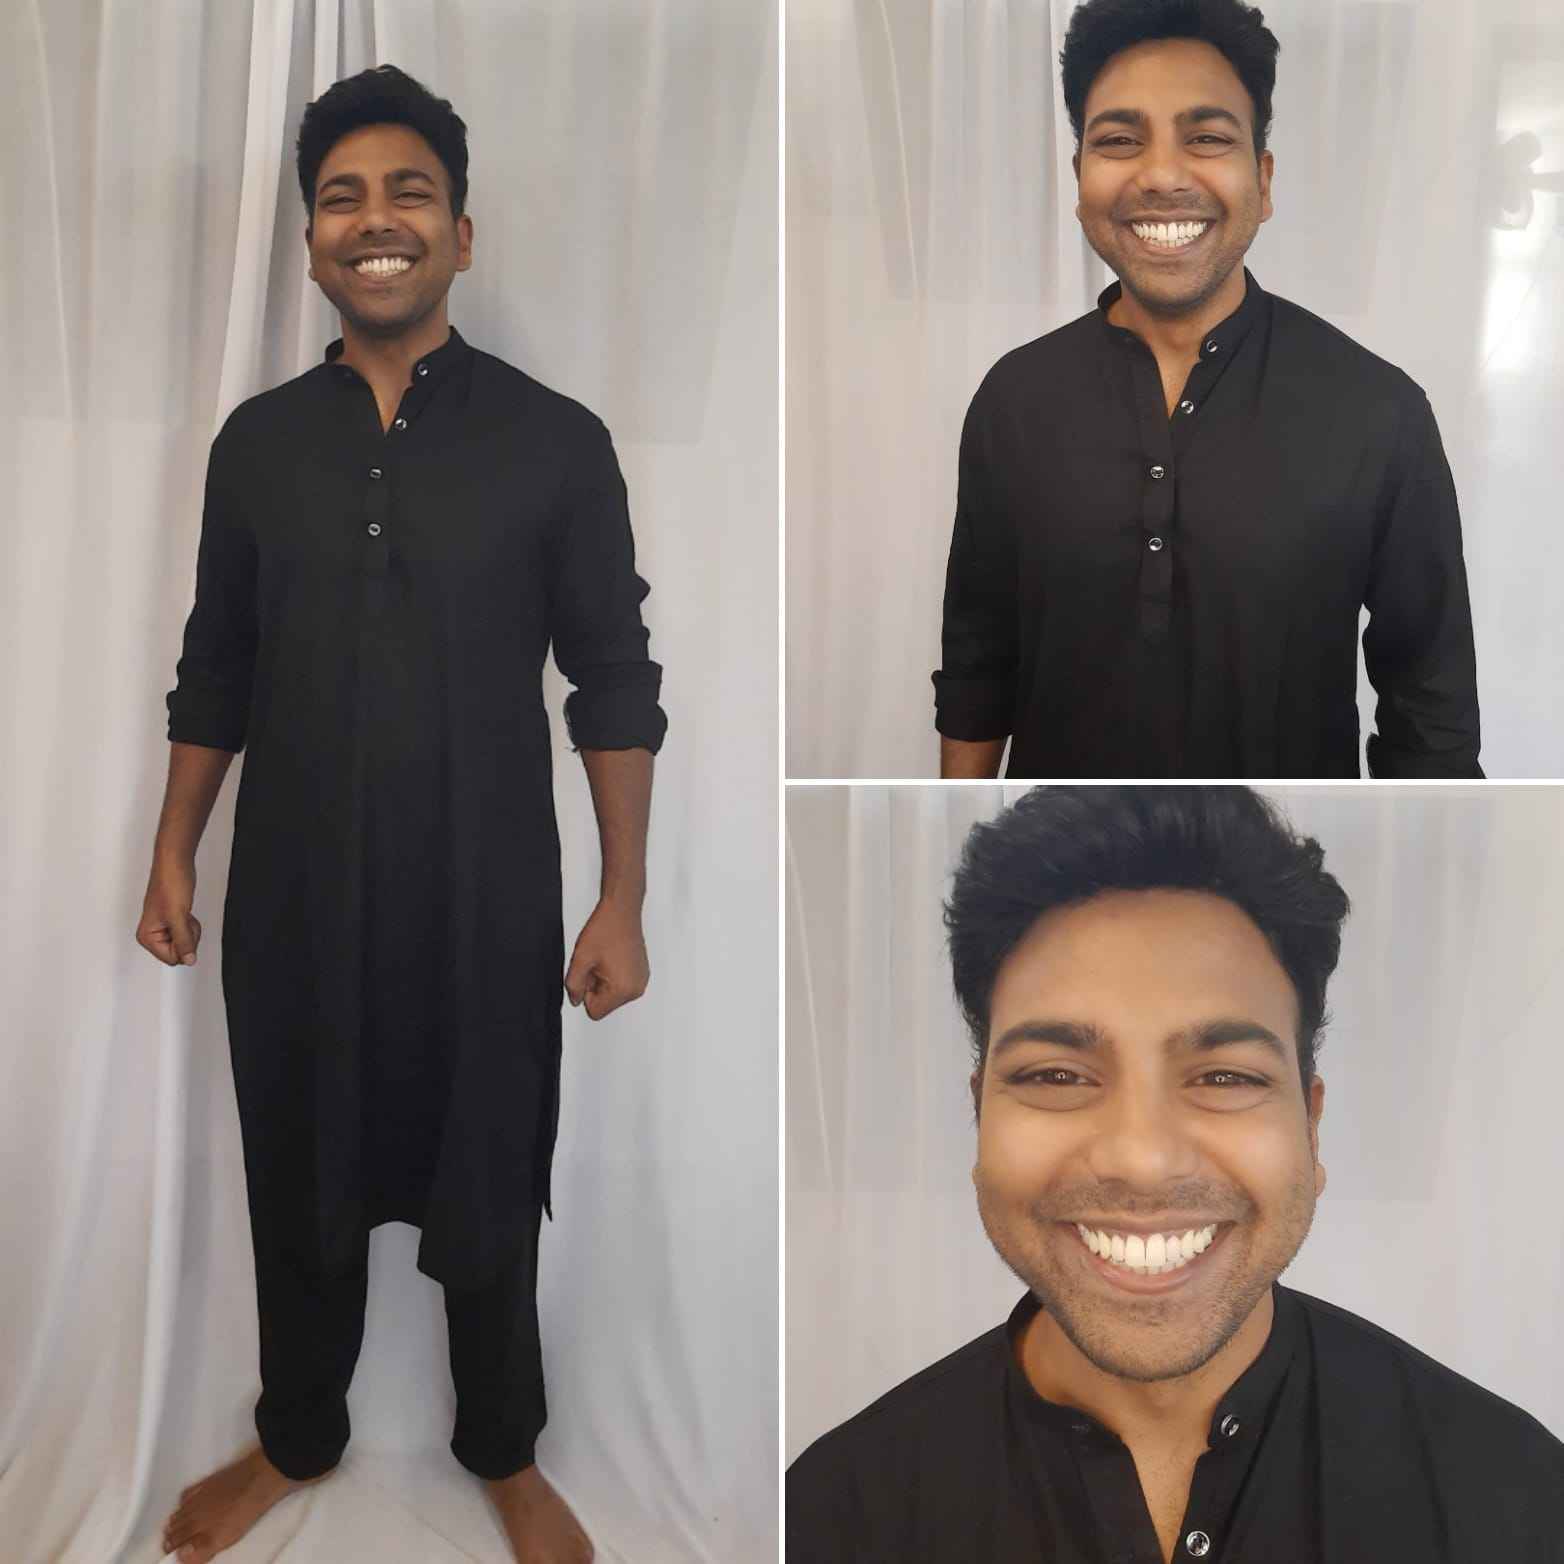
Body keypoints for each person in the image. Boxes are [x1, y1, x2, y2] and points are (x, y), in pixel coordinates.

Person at [138, 65, 665, 1564]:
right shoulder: (257, 446)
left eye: (408, 192)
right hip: (295, 900)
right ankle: (297, 1438)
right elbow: (217, 666)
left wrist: (621, 895)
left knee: (485, 1172)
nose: (375, 220)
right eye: (342, 199)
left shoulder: (555, 442)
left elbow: (614, 678)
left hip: (483, 903)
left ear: (462, 233)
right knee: (297, 1173)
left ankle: (504, 1451)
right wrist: (173, 849)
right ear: (312, 243)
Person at [787, 787, 1563, 1561]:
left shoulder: (1515, 1498)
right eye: (1056, 1075)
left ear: (1310, 1122)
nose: (1143, 1159)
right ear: (979, 1112)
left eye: (1224, 1077)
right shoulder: (831, 1515)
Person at [933, 0, 1481, 779]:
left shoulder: (1379, 413)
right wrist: (962, 822)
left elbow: (1431, 717)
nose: (1161, 175)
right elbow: (978, 666)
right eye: (1120, 140)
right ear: (1080, 178)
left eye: (1207, 138)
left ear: (1263, 179)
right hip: (1058, 840)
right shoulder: (1013, 401)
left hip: (1278, 842)